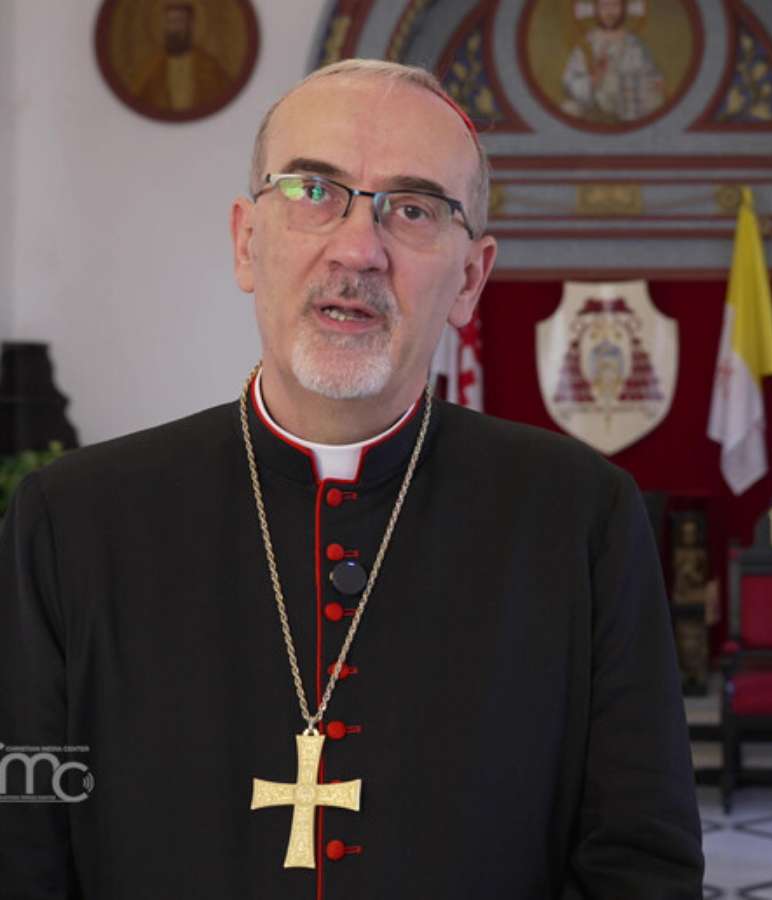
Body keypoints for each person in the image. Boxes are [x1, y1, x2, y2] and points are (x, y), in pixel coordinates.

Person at [0, 59, 703, 897]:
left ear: (470, 279)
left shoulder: (582, 517)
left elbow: (641, 860)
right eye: (312, 191)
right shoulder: (72, 521)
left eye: (414, 209)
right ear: (246, 242)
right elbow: (21, 844)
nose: (358, 249)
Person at [561, 0, 665, 123]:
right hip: (594, 106)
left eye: (615, 5)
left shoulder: (635, 44)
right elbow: (569, 81)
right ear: (595, 9)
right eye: (604, 6)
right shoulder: (586, 45)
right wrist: (593, 79)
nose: (609, 12)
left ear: (624, 8)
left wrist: (655, 81)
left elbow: (652, 75)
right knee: (569, 109)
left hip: (628, 103)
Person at [134, 2, 233, 114]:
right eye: (170, 22)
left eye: (179, 21)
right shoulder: (152, 68)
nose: (174, 28)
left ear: (190, 25)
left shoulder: (210, 68)